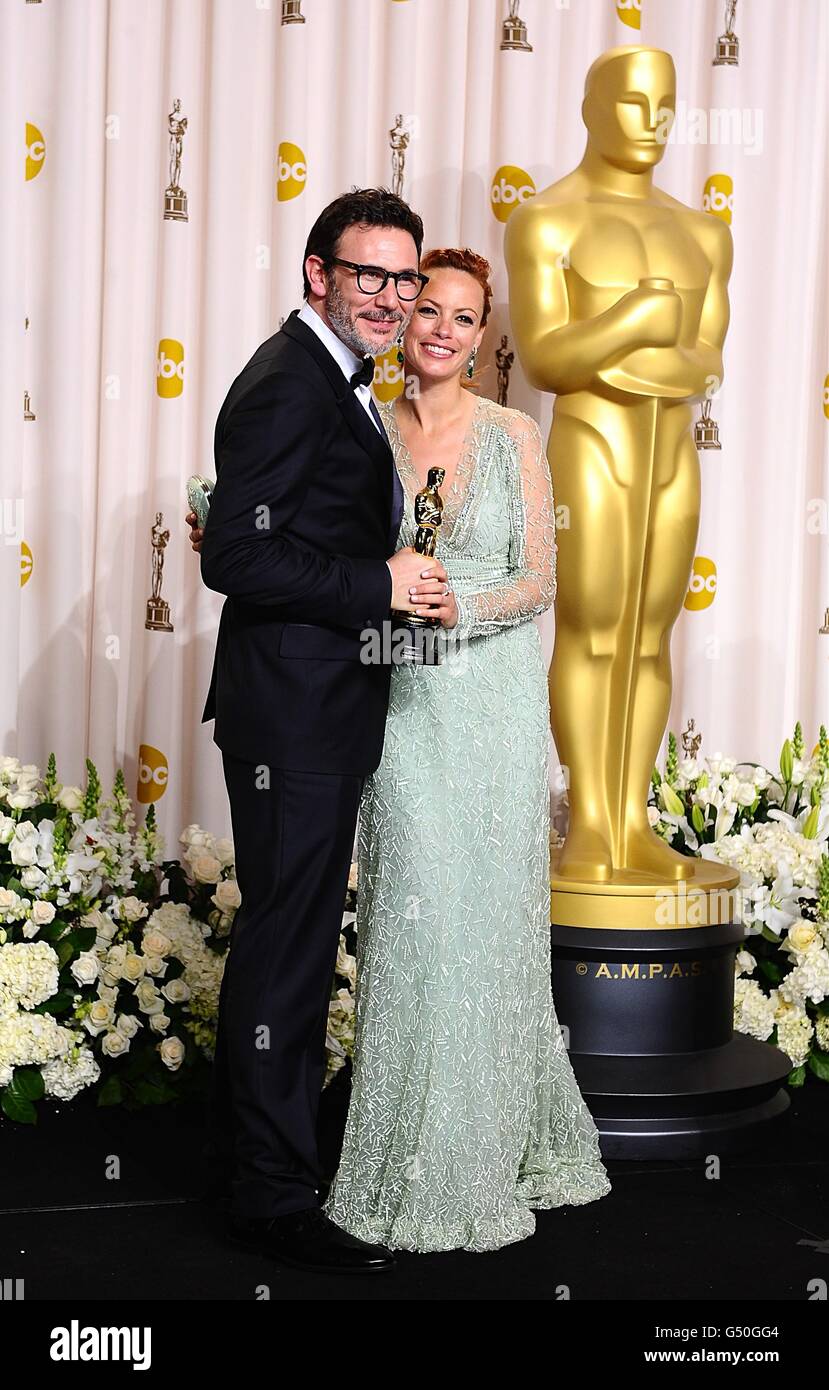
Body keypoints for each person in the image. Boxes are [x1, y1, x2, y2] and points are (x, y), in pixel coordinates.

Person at [319, 248, 612, 1251]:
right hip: (396, 708)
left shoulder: (512, 434)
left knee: (481, 933)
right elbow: (334, 561)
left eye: (462, 317)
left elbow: (538, 580)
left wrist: (454, 606)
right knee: (412, 926)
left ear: (484, 338)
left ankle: (484, 1150)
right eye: (426, 309)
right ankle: (400, 1153)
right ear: (402, 322)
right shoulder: (364, 431)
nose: (440, 328)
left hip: (488, 708)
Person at [195, 187, 451, 1275]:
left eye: (405, 277)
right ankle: (271, 1196)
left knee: (294, 945)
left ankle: (278, 1168)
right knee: (287, 953)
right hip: (288, 715)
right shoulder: (286, 385)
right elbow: (233, 557)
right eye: (369, 276)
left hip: (318, 709)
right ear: (317, 276)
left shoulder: (333, 381)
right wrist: (376, 580)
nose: (393, 298)